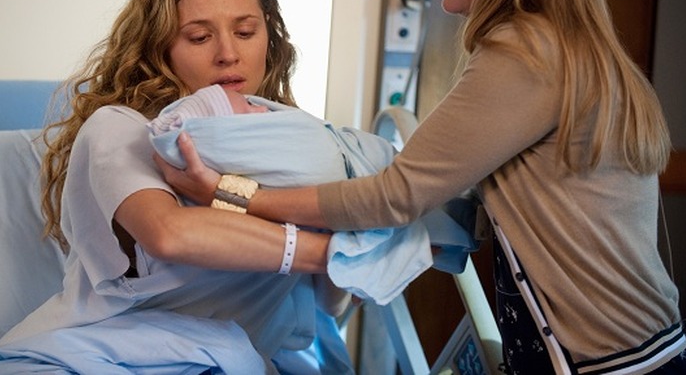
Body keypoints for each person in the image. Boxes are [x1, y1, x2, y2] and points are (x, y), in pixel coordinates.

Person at [157, 0, 686, 373]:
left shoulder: (524, 53)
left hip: (606, 362)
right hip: (648, 350)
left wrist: (233, 194)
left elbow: (394, 196)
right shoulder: (571, 47)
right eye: (200, 37)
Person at [0, 0, 354, 375]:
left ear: (269, 36)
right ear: (159, 45)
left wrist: (357, 235)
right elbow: (169, 234)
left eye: (245, 32)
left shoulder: (297, 146)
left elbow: (332, 300)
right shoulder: (121, 129)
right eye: (199, 37)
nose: (228, 54)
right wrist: (343, 252)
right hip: (89, 359)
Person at [148, 84, 479, 306]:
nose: (261, 111)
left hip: (398, 192)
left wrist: (228, 194)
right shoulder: (140, 147)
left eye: (245, 32)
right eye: (199, 37)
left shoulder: (285, 128)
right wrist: (359, 252)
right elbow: (330, 304)